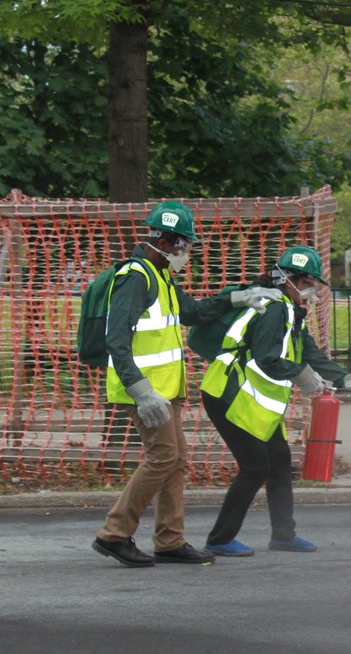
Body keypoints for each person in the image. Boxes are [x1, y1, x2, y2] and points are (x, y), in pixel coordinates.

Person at [92, 201, 283, 568]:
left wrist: (238, 297)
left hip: (165, 389)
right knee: (163, 457)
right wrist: (139, 389)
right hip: (147, 391)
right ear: (166, 242)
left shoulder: (160, 276)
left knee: (176, 461)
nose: (187, 253)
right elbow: (115, 338)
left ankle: (169, 540)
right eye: (185, 245)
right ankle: (114, 534)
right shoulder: (136, 277)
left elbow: (192, 312)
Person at [198, 246, 351, 556]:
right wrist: (302, 376)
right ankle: (219, 539)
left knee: (279, 462)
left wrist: (347, 379)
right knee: (255, 467)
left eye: (313, 283)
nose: (312, 290)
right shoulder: (274, 309)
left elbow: (308, 351)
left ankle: (283, 535)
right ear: (288, 279)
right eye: (308, 282)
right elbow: (268, 359)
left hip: (248, 400)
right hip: (227, 395)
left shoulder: (291, 311)